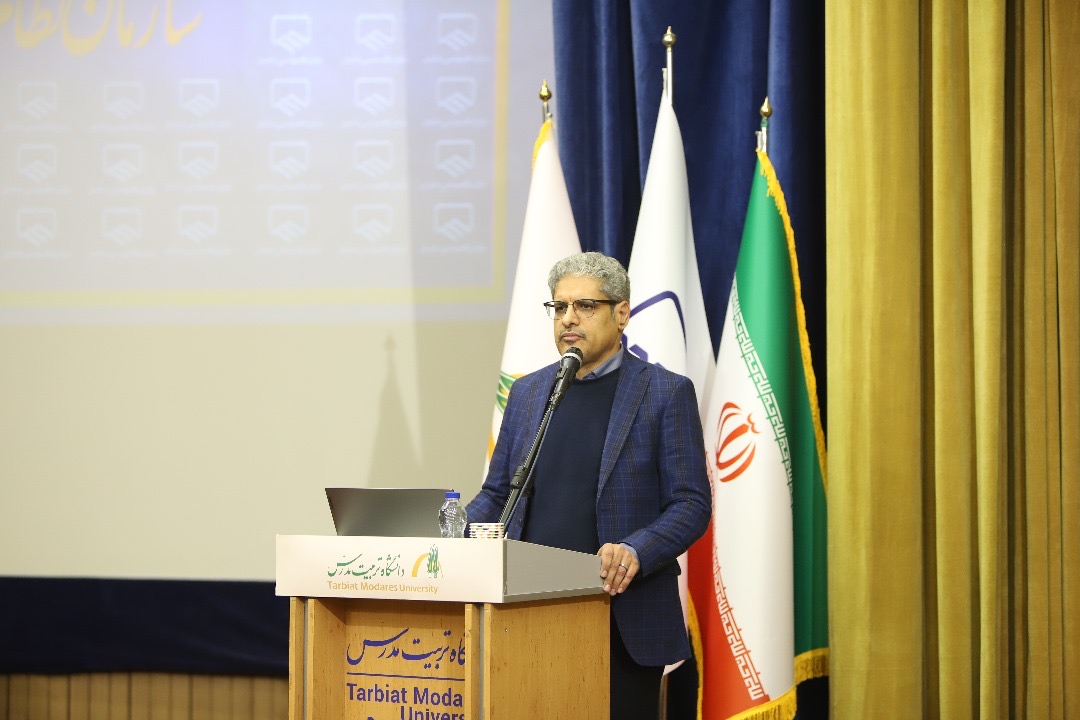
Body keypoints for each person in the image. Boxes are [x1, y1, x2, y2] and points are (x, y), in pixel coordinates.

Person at [466, 251, 711, 720]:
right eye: (559, 307)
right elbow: (498, 495)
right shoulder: (528, 392)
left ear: (622, 313)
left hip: (620, 615)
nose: (568, 319)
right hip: (527, 610)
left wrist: (636, 550)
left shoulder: (665, 392)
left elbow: (691, 503)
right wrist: (449, 534)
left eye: (585, 306)